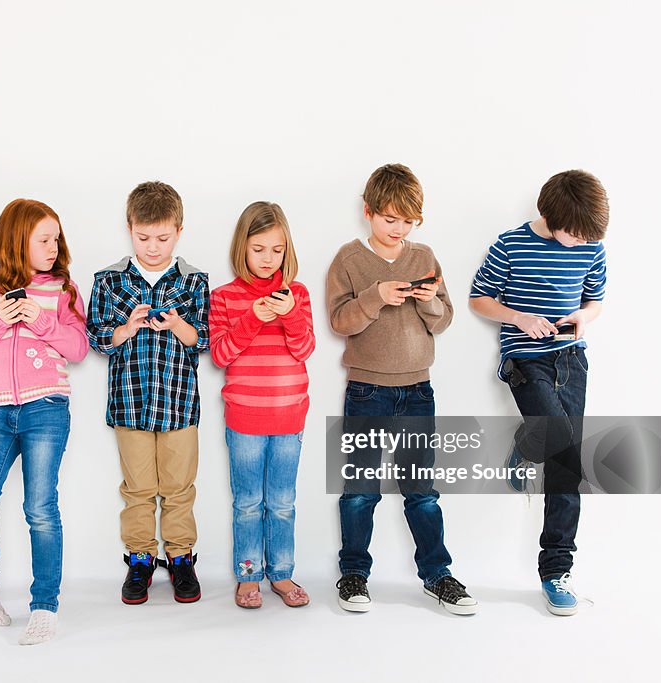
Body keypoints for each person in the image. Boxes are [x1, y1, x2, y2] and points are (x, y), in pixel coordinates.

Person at [327, 163, 478, 615]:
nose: (398, 229)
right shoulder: (348, 260)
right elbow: (340, 321)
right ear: (369, 212)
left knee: (422, 490)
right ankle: (354, 573)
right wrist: (375, 298)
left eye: (408, 221)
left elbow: (445, 318)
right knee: (360, 489)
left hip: (417, 389)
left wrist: (427, 299)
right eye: (390, 218)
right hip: (367, 390)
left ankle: (437, 575)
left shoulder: (424, 257)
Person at [469, 169, 608, 616]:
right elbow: (478, 298)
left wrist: (583, 318)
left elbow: (595, 300)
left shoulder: (591, 247)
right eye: (574, 234)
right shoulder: (511, 244)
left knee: (568, 465)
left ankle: (555, 571)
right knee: (560, 440)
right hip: (526, 358)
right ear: (549, 215)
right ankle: (530, 441)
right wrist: (520, 319)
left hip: (572, 358)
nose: (580, 242)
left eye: (588, 237)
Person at [0, 198, 88, 644]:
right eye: (43, 240)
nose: (53, 247)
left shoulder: (63, 289)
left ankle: (45, 606)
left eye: (56, 239)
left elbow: (78, 347)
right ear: (17, 241)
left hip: (46, 407)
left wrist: (43, 322)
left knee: (40, 508)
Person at [86, 181, 210, 604]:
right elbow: (97, 337)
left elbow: (203, 339)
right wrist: (127, 328)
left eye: (163, 238)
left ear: (179, 231)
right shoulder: (109, 281)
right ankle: (139, 559)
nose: (153, 247)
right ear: (129, 229)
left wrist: (176, 324)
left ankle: (180, 558)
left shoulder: (193, 282)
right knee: (137, 489)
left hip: (179, 404)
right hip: (130, 405)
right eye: (143, 238)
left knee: (179, 489)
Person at [209, 201, 315, 609]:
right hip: (245, 419)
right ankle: (249, 574)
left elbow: (304, 348)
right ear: (243, 248)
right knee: (248, 503)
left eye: (277, 250)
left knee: (283, 503)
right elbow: (221, 355)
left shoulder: (298, 294)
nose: (268, 259)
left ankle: (283, 575)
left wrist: (289, 316)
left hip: (290, 416)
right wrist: (252, 317)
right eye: (258, 249)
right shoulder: (224, 297)